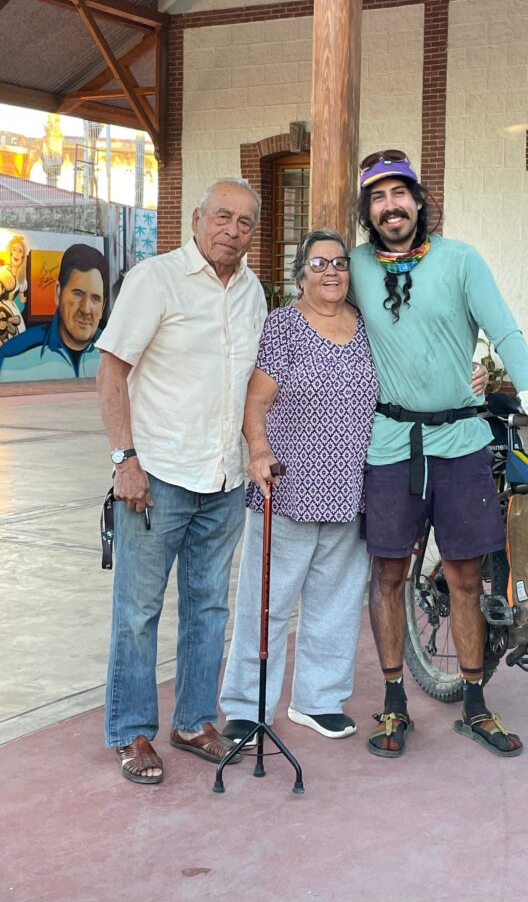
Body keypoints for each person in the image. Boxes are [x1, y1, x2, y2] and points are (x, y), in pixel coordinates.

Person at [350, 148, 528, 759]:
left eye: (400, 194)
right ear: (368, 210)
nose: (391, 206)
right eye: (378, 198)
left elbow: (505, 331)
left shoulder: (461, 259)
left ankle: (474, 702)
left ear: (419, 200)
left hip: (461, 440)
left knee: (467, 574)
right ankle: (393, 703)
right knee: (388, 573)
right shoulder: (355, 265)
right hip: (389, 443)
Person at [96, 178, 267, 785]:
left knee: (209, 607)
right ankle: (132, 731)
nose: (232, 229)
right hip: (156, 476)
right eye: (222, 216)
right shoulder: (156, 279)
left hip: (222, 479)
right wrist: (125, 459)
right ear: (197, 219)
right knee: (138, 611)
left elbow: (251, 386)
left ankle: (194, 721)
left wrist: (253, 453)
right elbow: (112, 369)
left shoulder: (253, 292)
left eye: (245, 222)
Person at [220, 230, 379, 743]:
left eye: (339, 262)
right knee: (266, 603)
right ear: (301, 273)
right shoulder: (284, 326)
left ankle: (318, 700)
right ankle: (248, 705)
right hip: (287, 488)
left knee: (336, 606)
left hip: (352, 488)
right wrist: (259, 451)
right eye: (319, 262)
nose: (331, 271)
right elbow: (256, 401)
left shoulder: (368, 327)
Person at [0, 242, 107, 380]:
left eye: (95, 298)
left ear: (103, 307)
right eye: (77, 294)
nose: (86, 309)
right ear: (58, 293)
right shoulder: (13, 355)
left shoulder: (115, 355)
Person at [0, 234, 28, 343]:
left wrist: (21, 301)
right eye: (14, 249)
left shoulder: (22, 279)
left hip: (14, 309)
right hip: (1, 307)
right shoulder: (2, 271)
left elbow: (22, 299)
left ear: (23, 256)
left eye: (20, 251)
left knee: (16, 335)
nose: (16, 253)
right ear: (9, 252)